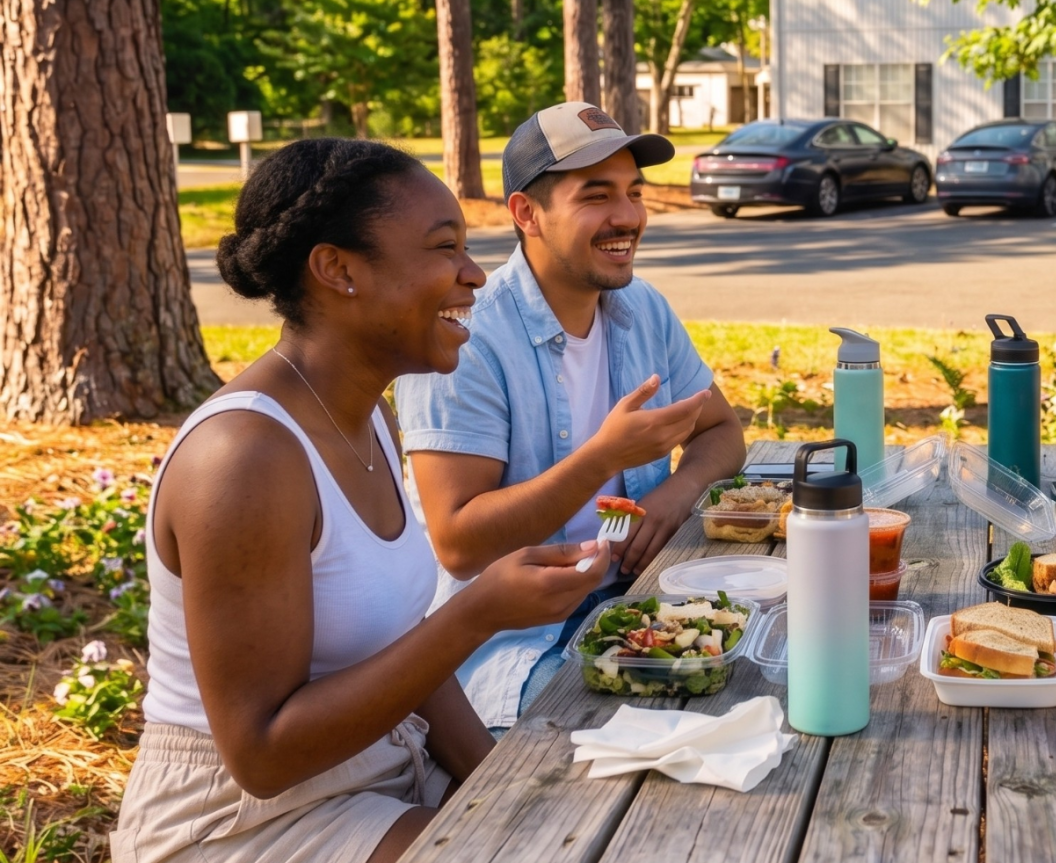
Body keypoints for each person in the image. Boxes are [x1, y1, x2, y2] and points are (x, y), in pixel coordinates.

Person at [111, 140, 608, 863]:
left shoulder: (365, 414)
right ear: (337, 270)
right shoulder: (245, 457)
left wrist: (509, 789)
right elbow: (263, 757)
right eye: (445, 249)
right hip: (242, 820)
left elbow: (402, 655)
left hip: (381, 768)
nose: (473, 275)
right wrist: (478, 612)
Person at [397, 101, 746, 733]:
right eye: (596, 196)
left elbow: (722, 431)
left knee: (769, 678)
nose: (628, 217)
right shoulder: (465, 337)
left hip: (642, 600)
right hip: (517, 644)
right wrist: (602, 458)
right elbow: (456, 543)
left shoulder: (641, 306)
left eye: (634, 192)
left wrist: (677, 492)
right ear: (526, 214)